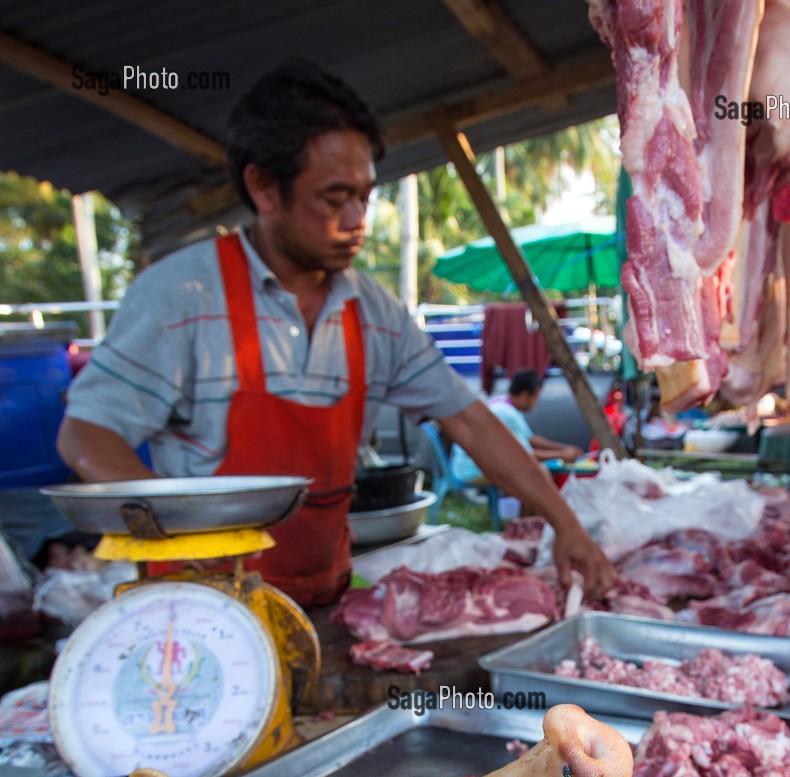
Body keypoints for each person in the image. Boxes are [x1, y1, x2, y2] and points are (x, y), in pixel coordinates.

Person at [56, 65, 614, 608]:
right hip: (201, 611)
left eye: (365, 196)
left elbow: (468, 419)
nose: (357, 220)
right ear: (263, 187)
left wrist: (564, 523)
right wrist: (176, 536)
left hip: (322, 598)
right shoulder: (182, 297)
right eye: (334, 197)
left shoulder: (375, 314)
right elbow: (86, 437)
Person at [448, 369, 583, 486]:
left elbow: (530, 439)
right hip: (472, 470)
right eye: (536, 396)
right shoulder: (507, 413)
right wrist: (562, 454)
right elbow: (525, 455)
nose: (536, 402)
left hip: (468, 465)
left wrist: (563, 448)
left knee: (534, 471)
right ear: (525, 395)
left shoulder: (502, 402)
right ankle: (535, 515)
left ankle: (529, 515)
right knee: (538, 473)